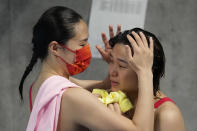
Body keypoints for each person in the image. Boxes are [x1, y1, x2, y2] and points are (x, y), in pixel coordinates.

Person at [19, 6, 155, 131]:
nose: (86, 49)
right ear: (55, 48)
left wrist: (113, 61)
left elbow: (103, 85)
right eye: (82, 44)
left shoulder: (41, 86)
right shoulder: (73, 96)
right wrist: (145, 72)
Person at [76, 27, 185, 131]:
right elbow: (68, 84)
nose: (112, 72)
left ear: (146, 69)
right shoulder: (111, 97)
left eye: (122, 66)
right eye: (111, 61)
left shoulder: (167, 115)